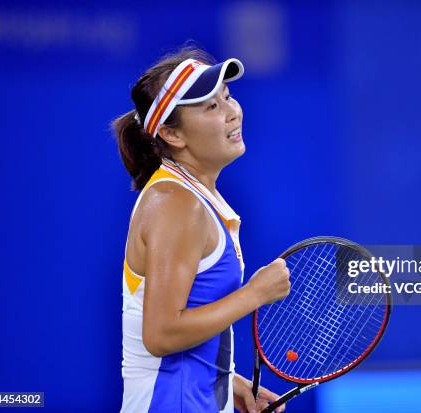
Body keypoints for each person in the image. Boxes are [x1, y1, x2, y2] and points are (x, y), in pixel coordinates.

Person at [112, 45, 290, 413]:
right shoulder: (176, 204)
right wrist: (255, 294)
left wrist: (229, 381)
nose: (232, 112)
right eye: (211, 106)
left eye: (227, 97)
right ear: (172, 135)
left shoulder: (188, 196)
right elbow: (161, 334)